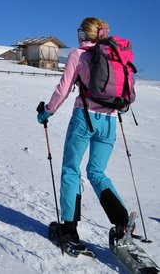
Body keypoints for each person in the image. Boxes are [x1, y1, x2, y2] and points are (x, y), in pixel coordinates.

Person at [37, 17, 129, 245]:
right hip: (110, 121)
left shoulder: (78, 55)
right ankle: (121, 222)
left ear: (83, 34)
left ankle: (68, 229)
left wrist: (47, 111)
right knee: (97, 172)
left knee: (71, 169)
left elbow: (63, 89)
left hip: (85, 118)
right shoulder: (113, 55)